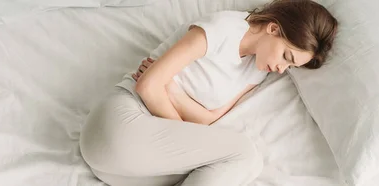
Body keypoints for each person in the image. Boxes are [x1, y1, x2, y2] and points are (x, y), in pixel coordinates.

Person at [79, 0, 338, 185]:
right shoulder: (222, 29)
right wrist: (180, 127)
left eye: (291, 65)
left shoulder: (258, 71)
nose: (282, 69)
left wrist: (173, 92)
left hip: (128, 170)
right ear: (273, 28)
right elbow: (146, 86)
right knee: (245, 155)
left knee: (233, 170)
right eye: (286, 56)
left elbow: (208, 120)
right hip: (120, 125)